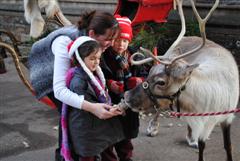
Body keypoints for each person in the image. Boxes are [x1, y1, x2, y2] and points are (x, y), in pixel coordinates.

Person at [28, 11, 122, 161]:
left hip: (72, 70)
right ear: (92, 33)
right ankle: (65, 155)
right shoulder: (64, 42)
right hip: (46, 71)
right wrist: (92, 107)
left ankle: (89, 151)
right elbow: (59, 91)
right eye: (108, 39)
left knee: (83, 104)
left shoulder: (91, 42)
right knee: (71, 111)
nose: (112, 44)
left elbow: (96, 71)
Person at [61, 36, 124, 161]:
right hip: (85, 128)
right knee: (88, 156)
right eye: (92, 58)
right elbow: (89, 106)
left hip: (93, 126)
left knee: (105, 150)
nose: (96, 62)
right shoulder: (78, 81)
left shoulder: (91, 74)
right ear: (80, 59)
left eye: (98, 58)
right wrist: (111, 110)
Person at [101, 15, 144, 161]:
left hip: (129, 103)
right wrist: (109, 83)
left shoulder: (135, 56)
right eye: (118, 40)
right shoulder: (103, 55)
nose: (121, 44)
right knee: (108, 135)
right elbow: (95, 75)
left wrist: (138, 81)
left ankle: (126, 157)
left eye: (125, 41)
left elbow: (146, 74)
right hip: (109, 102)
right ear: (112, 39)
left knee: (125, 135)